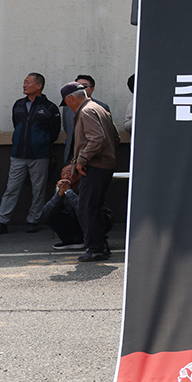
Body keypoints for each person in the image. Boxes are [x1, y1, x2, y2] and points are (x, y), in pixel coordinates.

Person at [0, 73, 62, 235]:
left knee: (38, 189)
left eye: (28, 82)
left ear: (39, 86)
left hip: (40, 155)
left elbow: (54, 132)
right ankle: (2, 222)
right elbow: (17, 125)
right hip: (18, 155)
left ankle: (33, 220)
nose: (24, 85)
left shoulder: (49, 108)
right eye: (24, 82)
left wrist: (42, 142)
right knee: (11, 188)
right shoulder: (19, 104)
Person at [60, 81, 118, 262]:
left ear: (70, 98)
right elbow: (115, 137)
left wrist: (82, 159)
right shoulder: (99, 109)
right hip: (105, 164)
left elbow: (96, 139)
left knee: (86, 208)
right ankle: (101, 246)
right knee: (95, 208)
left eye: (66, 103)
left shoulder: (85, 112)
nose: (68, 107)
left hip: (95, 166)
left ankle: (96, 248)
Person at [62, 74, 109, 165]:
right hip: (71, 152)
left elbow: (103, 134)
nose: (81, 89)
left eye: (84, 86)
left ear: (92, 89)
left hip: (92, 156)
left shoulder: (100, 107)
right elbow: (67, 127)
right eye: (78, 86)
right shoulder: (67, 107)